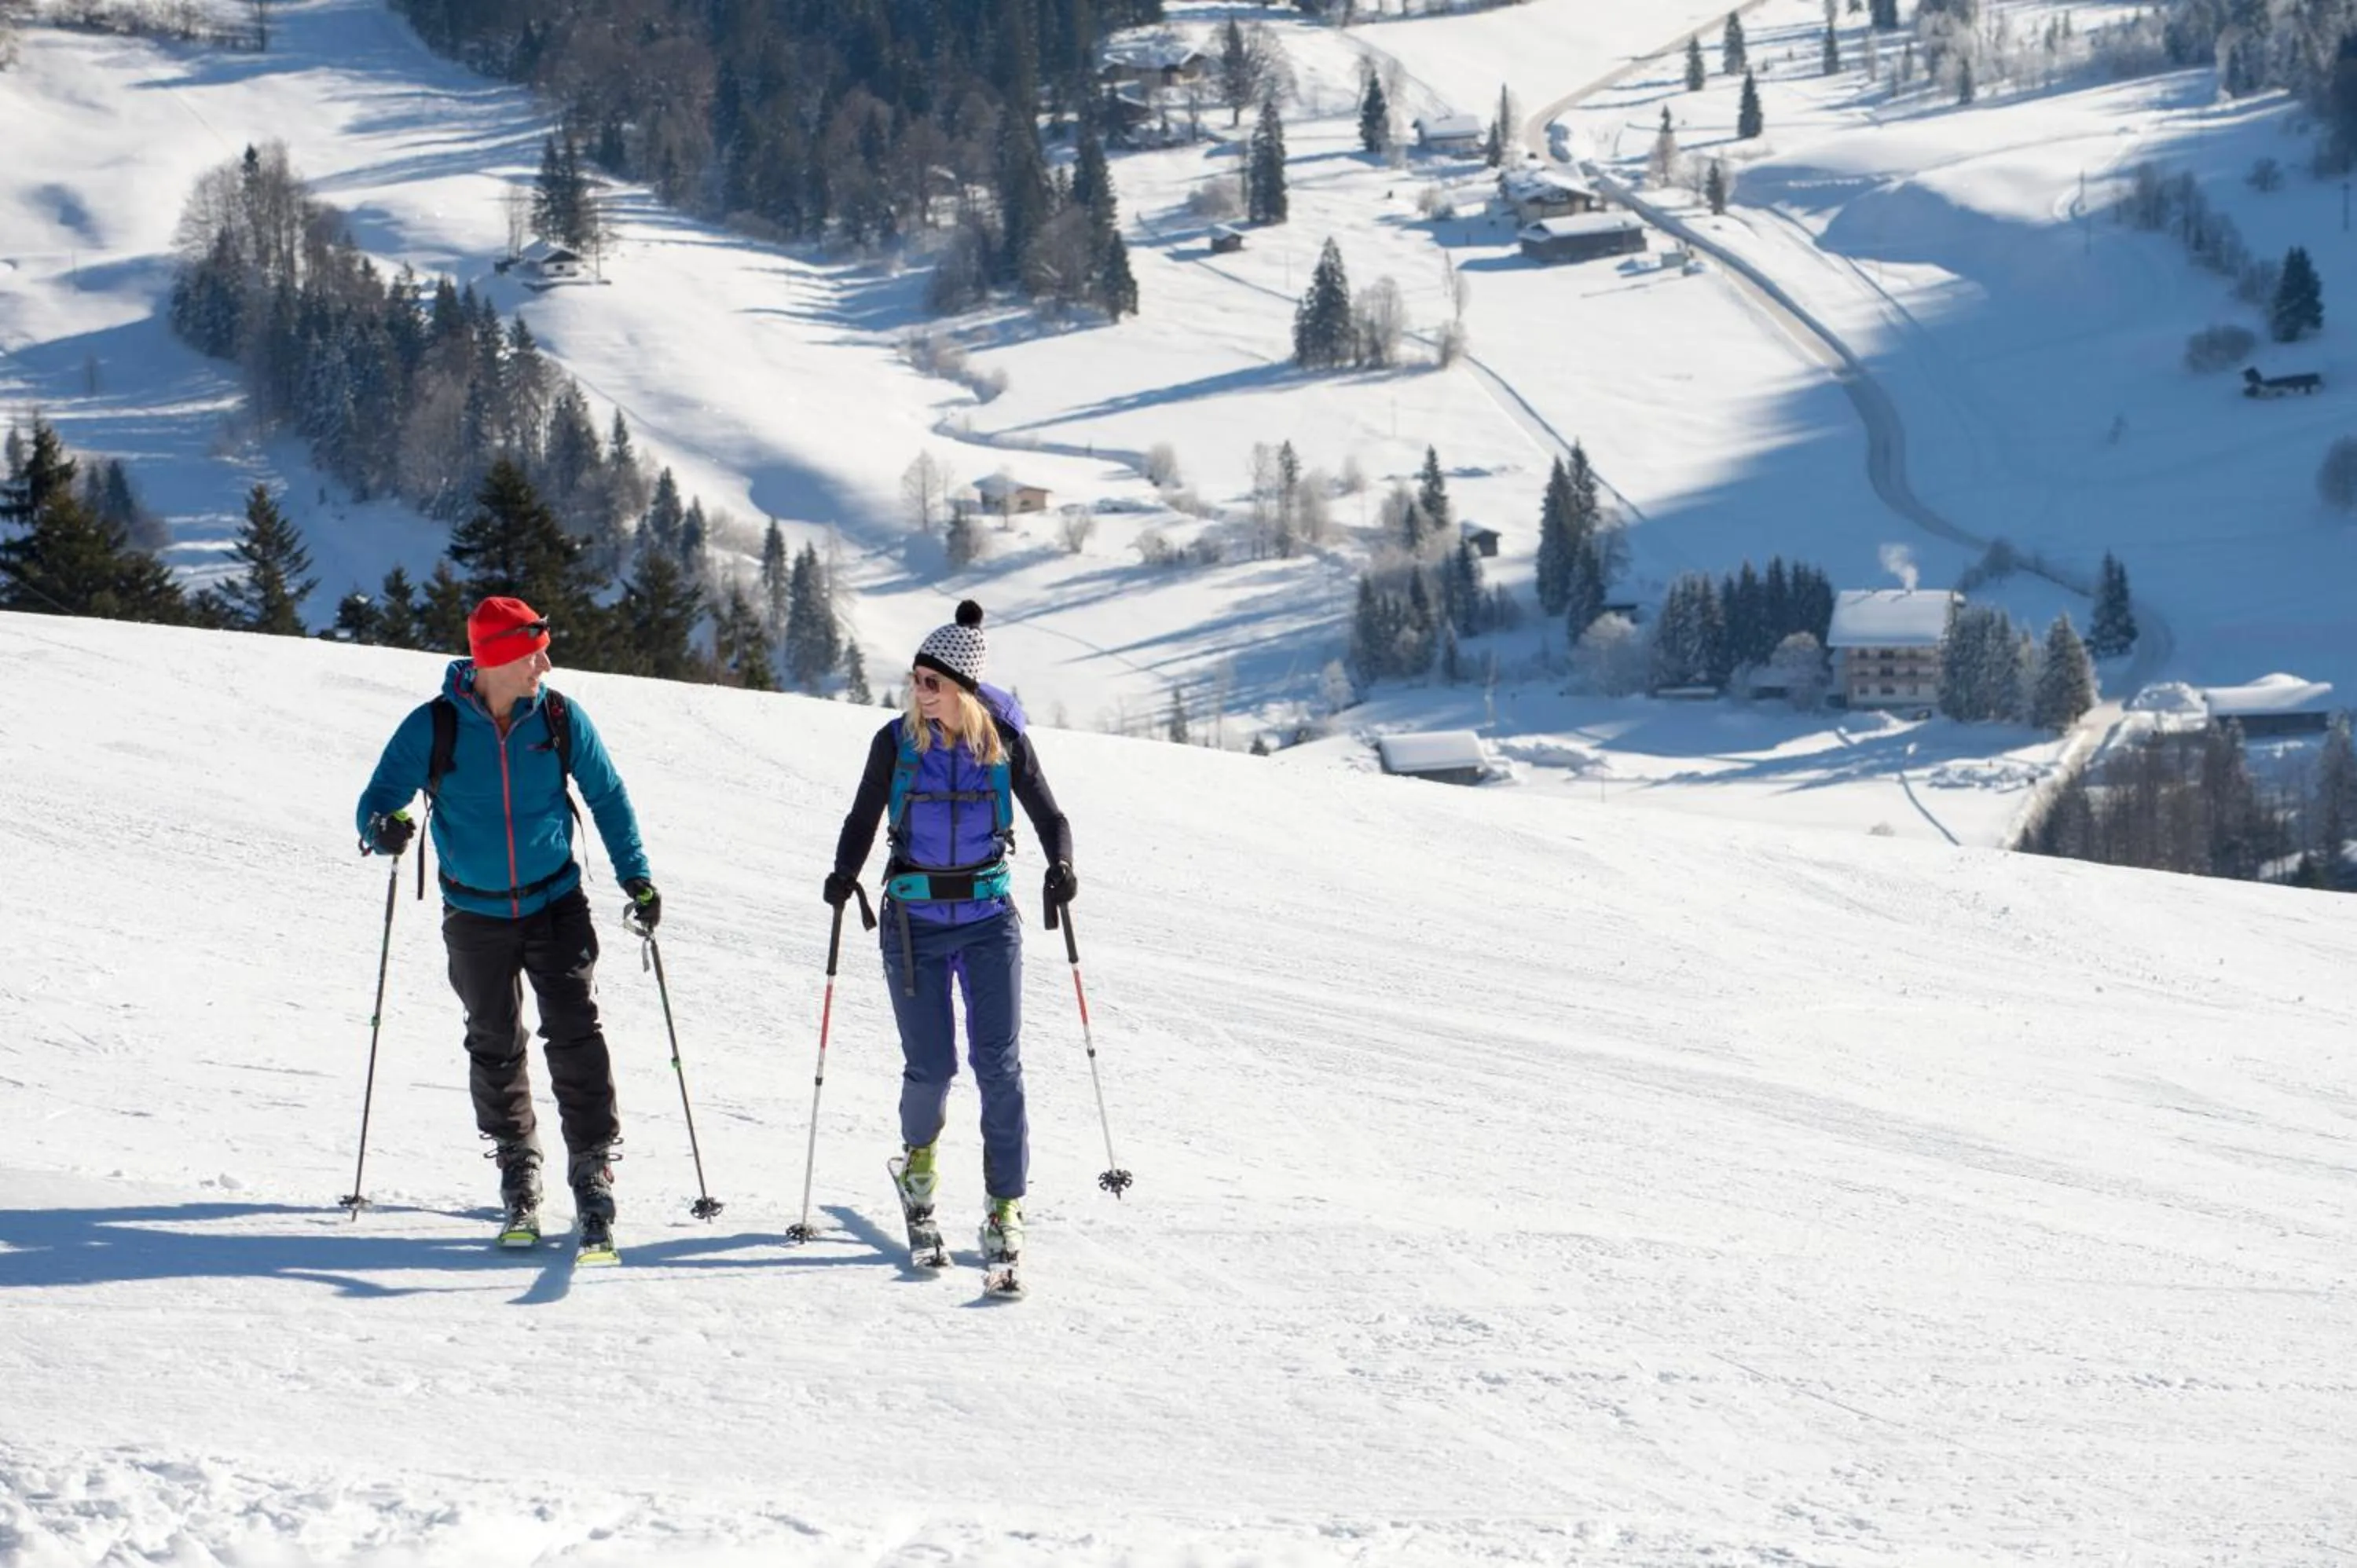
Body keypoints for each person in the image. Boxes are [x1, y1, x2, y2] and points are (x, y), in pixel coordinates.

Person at [354, 595, 660, 1248]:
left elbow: (608, 797)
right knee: (494, 1039)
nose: (544, 664)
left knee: (575, 1032)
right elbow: (379, 799)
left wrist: (637, 876)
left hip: (556, 903)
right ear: (496, 658)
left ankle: (592, 1164)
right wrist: (383, 828)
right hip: (474, 912)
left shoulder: (558, 717)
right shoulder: (432, 727)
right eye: (532, 654)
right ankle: (518, 1163)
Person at [825, 600, 1074, 1272]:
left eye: (932, 683)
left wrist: (1063, 866)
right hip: (915, 923)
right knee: (933, 1067)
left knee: (1000, 1065)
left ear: (962, 688)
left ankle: (1003, 1206)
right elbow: (862, 815)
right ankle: (919, 1167)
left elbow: (1051, 814)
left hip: (991, 921)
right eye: (915, 680)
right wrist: (843, 875)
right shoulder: (896, 743)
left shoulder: (1005, 743)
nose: (919, 691)